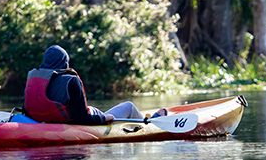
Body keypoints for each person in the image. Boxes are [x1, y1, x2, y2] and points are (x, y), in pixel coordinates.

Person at [23, 45, 166, 124]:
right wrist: (104, 118)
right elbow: (82, 119)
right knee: (129, 106)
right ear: (64, 62)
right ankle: (153, 121)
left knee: (94, 109)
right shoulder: (71, 81)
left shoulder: (34, 80)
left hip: (46, 123)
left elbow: (27, 112)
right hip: (84, 121)